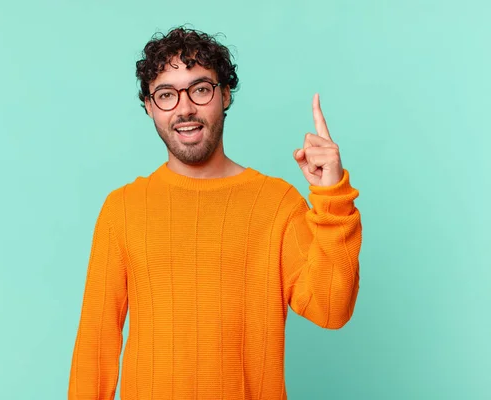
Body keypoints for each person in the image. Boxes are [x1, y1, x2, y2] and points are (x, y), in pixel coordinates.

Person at [68, 26, 362, 400]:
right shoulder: (122, 208)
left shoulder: (276, 203)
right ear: (149, 106)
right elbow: (97, 342)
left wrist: (332, 196)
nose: (185, 108)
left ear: (224, 95)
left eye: (200, 89)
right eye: (166, 95)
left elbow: (332, 309)